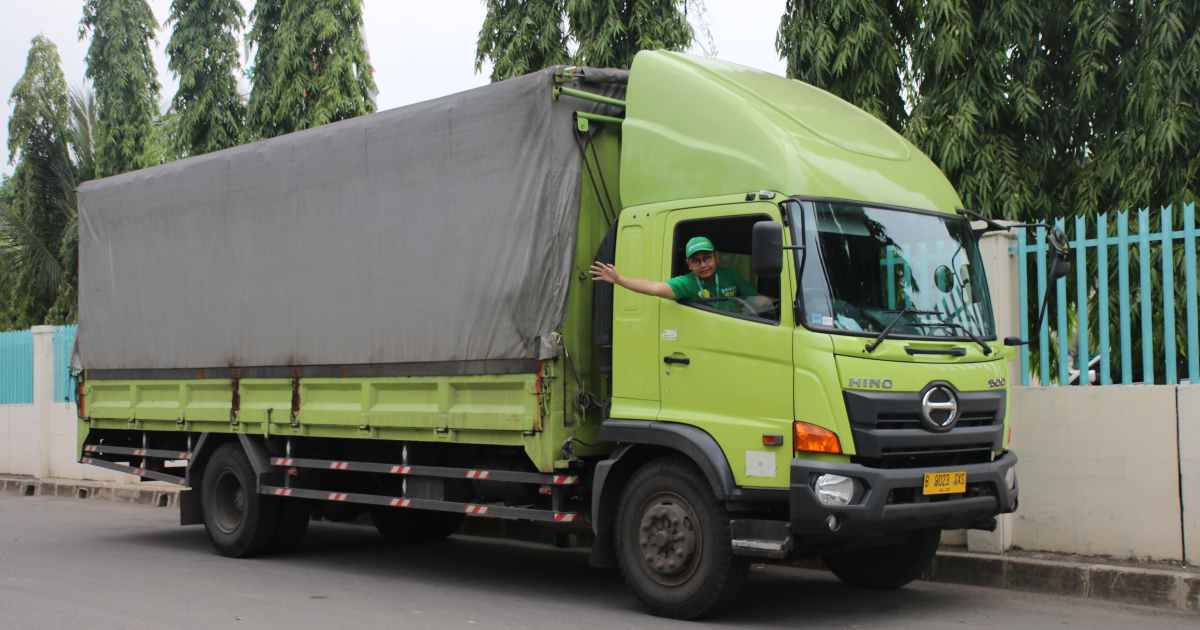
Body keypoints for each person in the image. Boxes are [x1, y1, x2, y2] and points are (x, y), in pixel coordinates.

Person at [590, 236, 766, 314]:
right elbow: (653, 287)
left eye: (707, 258)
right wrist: (619, 279)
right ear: (689, 264)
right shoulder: (686, 283)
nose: (703, 264)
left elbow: (755, 300)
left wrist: (771, 304)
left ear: (716, 257)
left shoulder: (731, 275)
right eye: (696, 260)